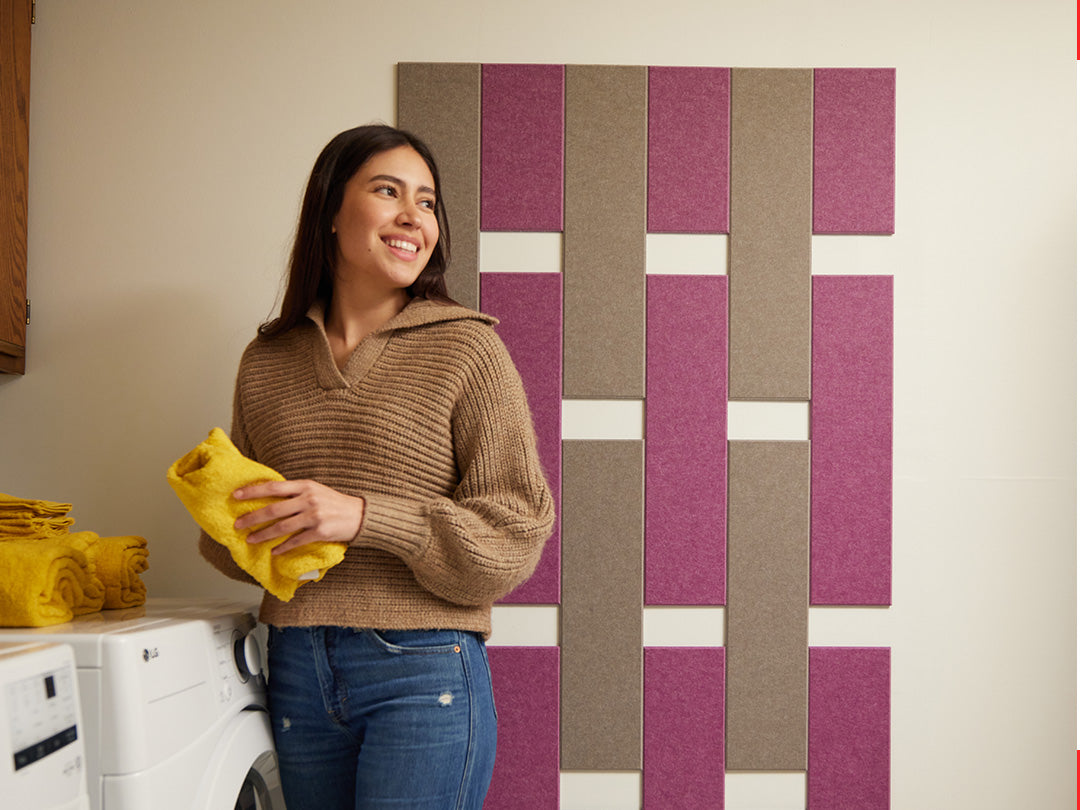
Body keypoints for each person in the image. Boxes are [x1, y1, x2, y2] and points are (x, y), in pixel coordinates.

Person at [197, 124, 555, 810]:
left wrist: (364, 517)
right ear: (331, 211)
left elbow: (514, 535)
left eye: (427, 201)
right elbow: (239, 545)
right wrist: (233, 520)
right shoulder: (266, 361)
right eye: (388, 191)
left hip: (424, 671)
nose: (413, 216)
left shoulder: (468, 349)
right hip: (295, 664)